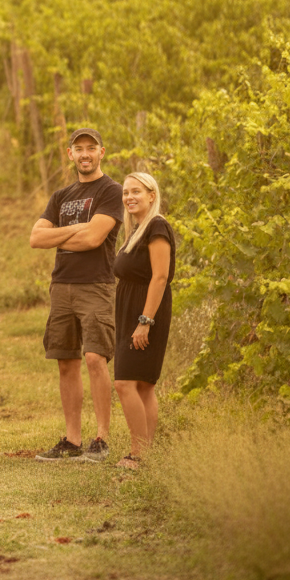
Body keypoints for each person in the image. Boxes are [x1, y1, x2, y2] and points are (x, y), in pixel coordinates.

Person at [29, 127, 124, 463]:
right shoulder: (61, 196)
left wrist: (59, 234)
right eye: (78, 148)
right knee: (65, 360)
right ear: (70, 154)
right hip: (62, 286)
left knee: (96, 358)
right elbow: (36, 239)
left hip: (95, 284)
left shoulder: (111, 191)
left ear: (101, 152)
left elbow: (94, 239)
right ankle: (72, 440)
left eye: (91, 148)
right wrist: (75, 231)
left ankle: (101, 438)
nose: (85, 154)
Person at [112, 172, 175, 470]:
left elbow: (160, 276)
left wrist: (145, 320)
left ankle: (137, 453)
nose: (129, 197)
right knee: (143, 386)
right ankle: (148, 455)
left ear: (152, 195)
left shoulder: (157, 226)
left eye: (136, 191)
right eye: (126, 192)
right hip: (131, 313)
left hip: (146, 313)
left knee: (124, 383)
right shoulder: (136, 230)